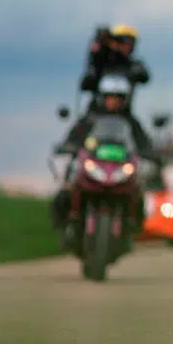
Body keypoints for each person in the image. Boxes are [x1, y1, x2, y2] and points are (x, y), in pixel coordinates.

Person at [49, 73, 143, 234]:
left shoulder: (130, 121)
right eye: (109, 97)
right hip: (94, 166)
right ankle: (66, 223)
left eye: (118, 98)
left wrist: (151, 152)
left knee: (139, 193)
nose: (113, 102)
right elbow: (73, 137)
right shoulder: (89, 118)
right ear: (102, 97)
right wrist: (67, 146)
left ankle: (133, 226)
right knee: (66, 192)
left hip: (119, 169)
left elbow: (143, 142)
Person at [56, 23, 155, 160]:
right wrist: (98, 45)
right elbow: (88, 76)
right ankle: (71, 152)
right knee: (84, 123)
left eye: (130, 43)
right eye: (122, 41)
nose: (126, 46)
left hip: (123, 114)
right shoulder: (102, 63)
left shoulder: (133, 65)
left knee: (136, 128)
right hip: (97, 111)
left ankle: (149, 155)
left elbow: (145, 76)